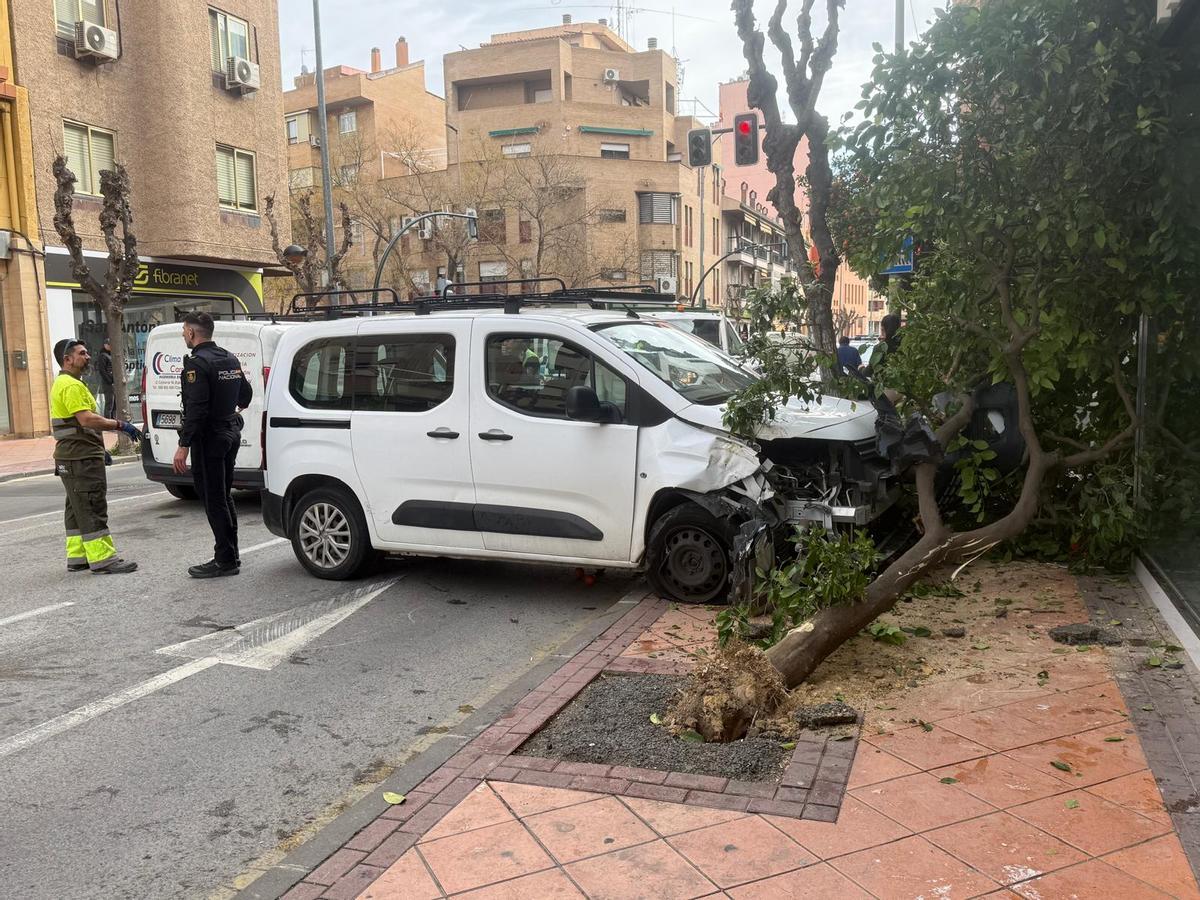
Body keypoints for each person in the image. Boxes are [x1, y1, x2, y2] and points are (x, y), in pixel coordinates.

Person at [50, 338, 141, 574]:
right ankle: (104, 560)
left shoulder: (65, 383)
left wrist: (100, 450)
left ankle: (78, 557)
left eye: (87, 352)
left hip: (72, 456)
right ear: (67, 360)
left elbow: (79, 425)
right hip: (80, 457)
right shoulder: (71, 386)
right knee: (91, 504)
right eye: (82, 353)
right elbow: (87, 420)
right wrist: (120, 425)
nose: (88, 356)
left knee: (76, 506)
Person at [173, 312, 252, 578]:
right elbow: (246, 395)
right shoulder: (228, 357)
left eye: (184, 330)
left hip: (210, 438)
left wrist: (184, 444)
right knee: (223, 495)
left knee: (212, 497)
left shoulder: (197, 364)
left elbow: (197, 408)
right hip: (230, 432)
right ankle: (231, 554)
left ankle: (225, 560)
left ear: (193, 333)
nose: (184, 334)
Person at [97, 338, 115, 419]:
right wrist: (109, 381)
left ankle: (113, 420)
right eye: (109, 345)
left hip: (112, 382)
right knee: (109, 403)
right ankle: (108, 421)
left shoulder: (111, 355)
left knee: (114, 403)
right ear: (105, 345)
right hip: (108, 383)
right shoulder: (103, 356)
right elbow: (102, 370)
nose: (111, 346)